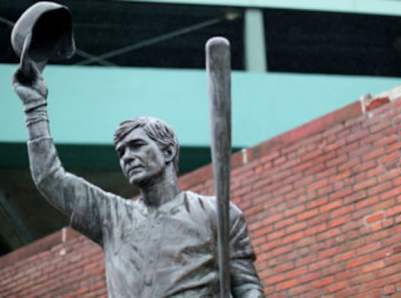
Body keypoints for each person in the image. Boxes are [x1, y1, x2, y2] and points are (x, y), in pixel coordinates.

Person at [12, 55, 264, 297]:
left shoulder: (218, 213)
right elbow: (49, 177)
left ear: (167, 151)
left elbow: (248, 286)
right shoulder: (110, 216)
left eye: (137, 145)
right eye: (121, 152)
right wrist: (35, 107)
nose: (127, 157)